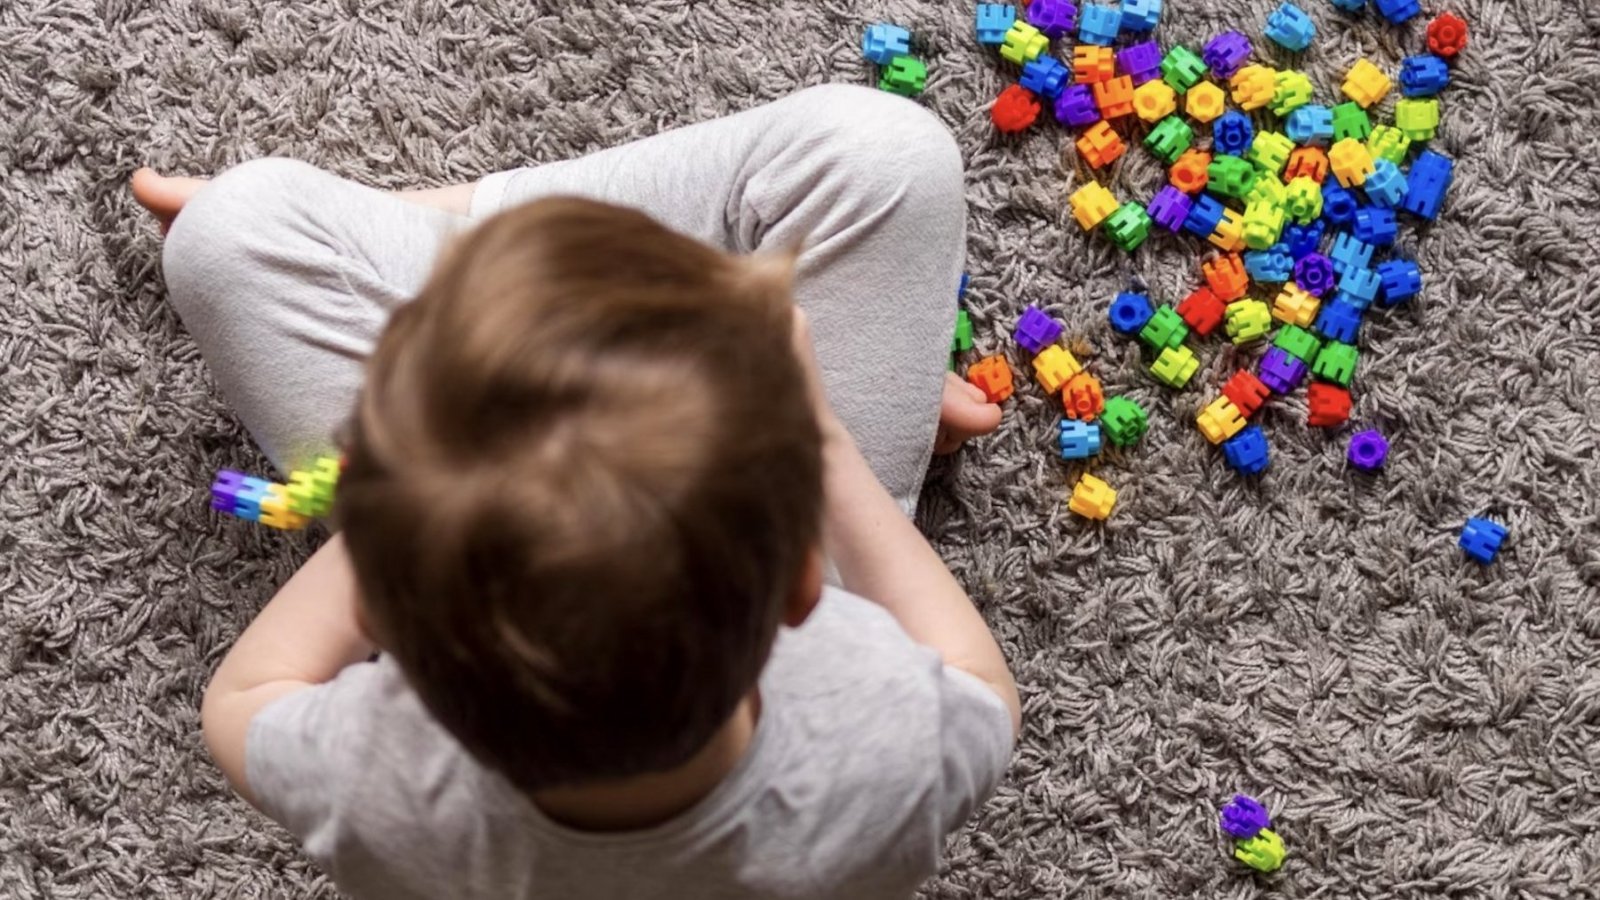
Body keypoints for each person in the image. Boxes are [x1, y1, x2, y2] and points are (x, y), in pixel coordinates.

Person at [133, 84, 1019, 899]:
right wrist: (826, 433)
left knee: (226, 232)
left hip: (494, 515)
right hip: (800, 524)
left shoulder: (381, 783)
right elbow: (983, 684)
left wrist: (397, 493)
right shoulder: (882, 751)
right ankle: (543, 280)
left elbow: (242, 700)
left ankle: (450, 244)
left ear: (392, 623)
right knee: (887, 152)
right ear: (797, 582)